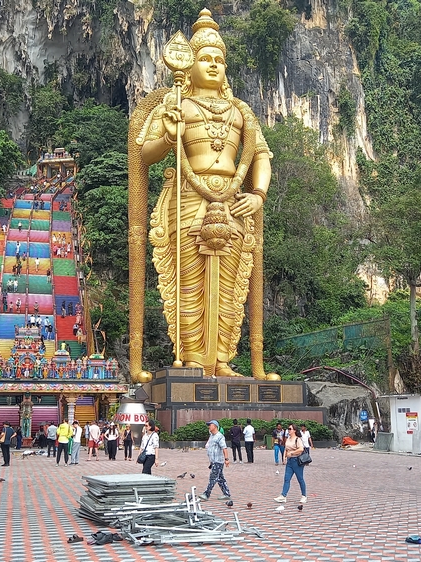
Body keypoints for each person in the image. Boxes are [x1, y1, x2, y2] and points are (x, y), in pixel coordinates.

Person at [128, 8, 277, 381]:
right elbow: (143, 153)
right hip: (188, 198)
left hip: (233, 199)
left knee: (231, 283)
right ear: (189, 65)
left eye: (219, 60)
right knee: (189, 279)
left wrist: (257, 193)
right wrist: (167, 133)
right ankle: (194, 357)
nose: (212, 65)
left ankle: (223, 359)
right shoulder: (176, 103)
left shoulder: (241, 111)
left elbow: (260, 155)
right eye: (205, 59)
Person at [275, 424, 307, 504]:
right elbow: (286, 448)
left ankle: (304, 496)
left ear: (294, 430)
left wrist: (292, 453)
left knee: (300, 479)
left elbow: (301, 449)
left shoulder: (297, 439)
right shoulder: (288, 439)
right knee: (287, 478)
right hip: (289, 461)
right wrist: (284, 457)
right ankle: (283, 495)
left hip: (296, 460)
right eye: (288, 429)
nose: (288, 430)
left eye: (290, 429)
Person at [200, 420, 231, 501]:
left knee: (213, 478)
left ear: (215, 426)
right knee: (220, 478)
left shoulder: (220, 437)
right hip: (213, 461)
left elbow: (224, 448)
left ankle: (206, 494)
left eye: (210, 425)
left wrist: (226, 459)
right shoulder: (212, 436)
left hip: (218, 461)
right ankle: (226, 493)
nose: (209, 427)